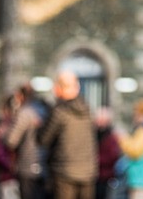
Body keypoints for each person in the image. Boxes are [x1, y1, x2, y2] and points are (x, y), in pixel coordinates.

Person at [37, 71, 98, 199]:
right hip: (88, 171)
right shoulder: (87, 110)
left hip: (64, 171)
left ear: (58, 88)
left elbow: (43, 139)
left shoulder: (60, 111)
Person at [5, 84, 48, 199]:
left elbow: (11, 140)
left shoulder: (25, 112)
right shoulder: (45, 110)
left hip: (28, 164)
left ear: (21, 96)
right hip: (45, 165)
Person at [94, 108, 121, 199]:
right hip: (94, 175)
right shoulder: (94, 134)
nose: (99, 123)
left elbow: (113, 156)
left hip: (105, 177)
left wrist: (96, 159)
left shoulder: (111, 137)